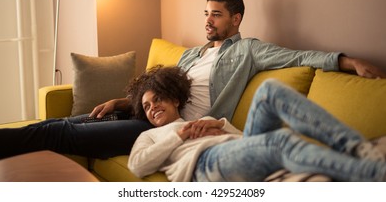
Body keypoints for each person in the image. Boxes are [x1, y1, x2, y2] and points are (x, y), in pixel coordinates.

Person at [0, 0, 385, 159]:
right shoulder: (192, 54)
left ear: (236, 19)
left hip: (168, 127)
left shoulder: (248, 50)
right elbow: (158, 86)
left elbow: (299, 55)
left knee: (59, 133)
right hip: (147, 112)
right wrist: (123, 100)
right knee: (64, 122)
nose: (208, 20)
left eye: (216, 14)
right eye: (206, 13)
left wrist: (347, 62)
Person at [127, 66, 386, 182]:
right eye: (147, 107)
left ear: (174, 98)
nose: (153, 109)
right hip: (204, 166)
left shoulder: (203, 119)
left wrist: (219, 126)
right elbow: (137, 166)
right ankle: (373, 175)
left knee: (271, 90)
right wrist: (180, 136)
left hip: (235, 153)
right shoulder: (150, 136)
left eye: (157, 100)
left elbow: (248, 143)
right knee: (279, 142)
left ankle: (358, 149)